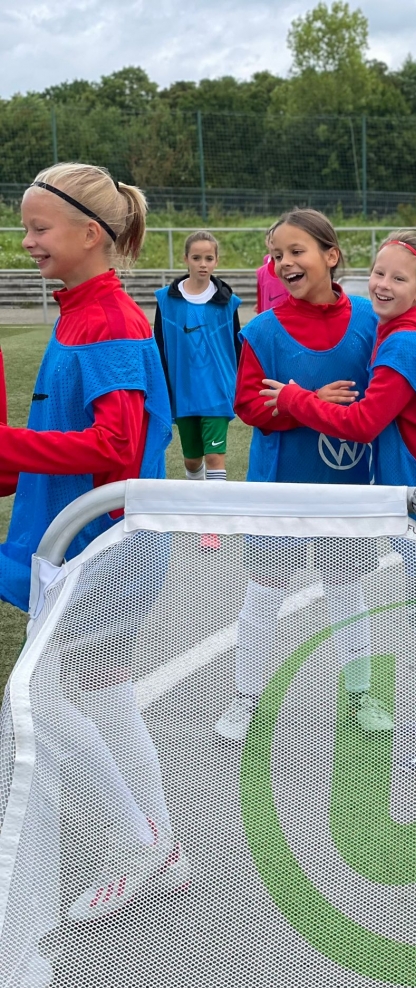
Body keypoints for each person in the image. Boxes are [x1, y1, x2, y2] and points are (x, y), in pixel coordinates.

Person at [0, 162, 185, 922]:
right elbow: (69, 435)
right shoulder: (82, 311)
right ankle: (159, 845)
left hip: (103, 549)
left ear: (89, 233)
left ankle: (132, 844)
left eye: (39, 228)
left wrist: (7, 445)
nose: (27, 240)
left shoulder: (106, 318)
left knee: (40, 697)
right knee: (104, 690)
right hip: (96, 543)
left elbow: (116, 445)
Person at [261, 230, 416, 770]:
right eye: (378, 273)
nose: (382, 284)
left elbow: (363, 424)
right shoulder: (413, 330)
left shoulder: (405, 342)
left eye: (398, 278)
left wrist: (294, 398)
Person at [217, 207, 392, 741]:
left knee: (348, 591)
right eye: (277, 255)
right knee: (265, 594)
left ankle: (359, 694)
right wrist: (308, 402)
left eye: (296, 251)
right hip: (280, 487)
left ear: (331, 255)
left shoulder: (370, 320)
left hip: (349, 485)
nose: (285, 262)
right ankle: (246, 698)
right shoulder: (263, 332)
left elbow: (390, 386)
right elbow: (249, 405)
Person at [154, 230, 241, 488]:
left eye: (208, 258)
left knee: (215, 457)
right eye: (196, 258)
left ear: (216, 261)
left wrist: (238, 384)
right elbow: (158, 345)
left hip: (217, 391)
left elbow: (237, 347)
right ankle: (197, 494)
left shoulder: (228, 302)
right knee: (192, 460)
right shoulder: (166, 301)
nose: (203, 264)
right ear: (186, 259)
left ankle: (213, 512)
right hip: (183, 391)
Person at [255, 224, 287, 313]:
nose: (274, 245)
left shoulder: (291, 267)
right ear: (267, 241)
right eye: (272, 241)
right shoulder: (262, 270)